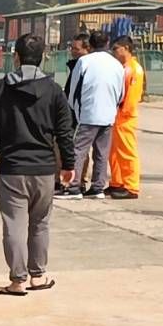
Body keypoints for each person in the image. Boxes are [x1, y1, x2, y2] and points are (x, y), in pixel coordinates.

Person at [0, 33, 76, 296]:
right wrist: (68, 164)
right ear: (44, 57)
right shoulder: (54, 91)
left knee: (14, 224)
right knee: (40, 223)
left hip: (11, 169)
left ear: (16, 57)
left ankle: (17, 280)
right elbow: (65, 131)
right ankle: (39, 275)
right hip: (44, 170)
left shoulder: (0, 89)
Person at [64, 29, 125, 200]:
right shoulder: (117, 64)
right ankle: (98, 187)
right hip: (108, 115)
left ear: (90, 45)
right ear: (107, 44)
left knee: (78, 151)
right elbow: (121, 92)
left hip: (88, 114)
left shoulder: (84, 62)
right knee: (102, 153)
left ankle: (74, 187)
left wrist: (75, 110)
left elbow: (73, 90)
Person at [107, 35, 145, 199]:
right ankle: (117, 182)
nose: (114, 52)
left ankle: (131, 186)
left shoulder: (134, 69)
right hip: (116, 116)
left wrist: (122, 113)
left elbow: (131, 97)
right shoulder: (123, 67)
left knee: (127, 151)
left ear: (126, 49)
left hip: (124, 117)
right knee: (114, 152)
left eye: (116, 49)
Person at [57, 33, 90, 198]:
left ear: (87, 49)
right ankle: (65, 180)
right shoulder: (75, 66)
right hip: (70, 111)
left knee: (78, 149)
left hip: (80, 113)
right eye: (72, 48)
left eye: (77, 49)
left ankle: (76, 182)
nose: (73, 51)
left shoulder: (85, 67)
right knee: (63, 145)